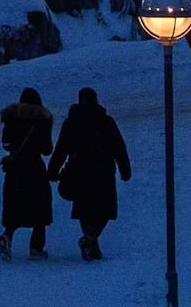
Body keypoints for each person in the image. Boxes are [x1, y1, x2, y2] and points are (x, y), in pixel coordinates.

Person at [53, 87, 132, 261]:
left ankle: (90, 243)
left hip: (79, 171)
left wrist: (53, 170)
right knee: (104, 211)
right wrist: (125, 169)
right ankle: (90, 239)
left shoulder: (72, 122)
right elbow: (119, 147)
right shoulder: (105, 121)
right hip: (102, 172)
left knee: (84, 210)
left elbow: (61, 148)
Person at [0, 85, 56, 260]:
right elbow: (47, 149)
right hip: (34, 168)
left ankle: (7, 236)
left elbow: (5, 143)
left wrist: (15, 150)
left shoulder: (11, 117)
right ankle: (36, 248)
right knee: (40, 207)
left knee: (14, 205)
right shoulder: (42, 119)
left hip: (15, 168)